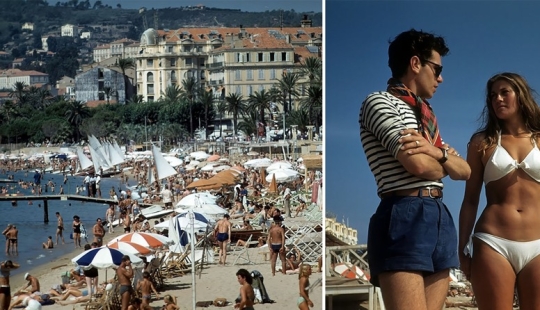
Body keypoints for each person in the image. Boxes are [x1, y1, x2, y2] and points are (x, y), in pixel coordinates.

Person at [358, 29, 471, 310]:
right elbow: (419, 165)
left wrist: (435, 152)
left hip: (438, 214)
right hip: (403, 211)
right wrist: (445, 159)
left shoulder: (425, 116)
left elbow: (465, 171)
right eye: (437, 69)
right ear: (415, 64)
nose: (441, 78)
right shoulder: (379, 102)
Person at [459, 72, 540, 309]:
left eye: (505, 92)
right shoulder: (482, 142)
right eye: (493, 95)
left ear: (521, 96)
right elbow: (470, 200)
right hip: (493, 242)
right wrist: (462, 248)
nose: (498, 99)